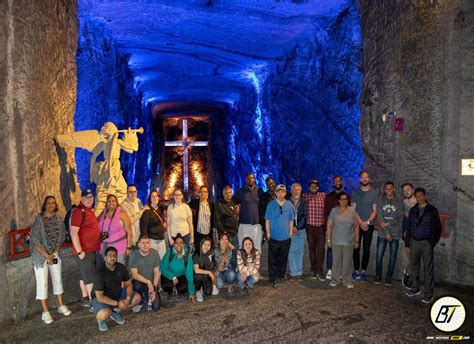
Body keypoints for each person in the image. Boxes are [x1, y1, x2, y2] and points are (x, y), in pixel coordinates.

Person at [30, 196, 72, 324]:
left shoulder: (58, 219)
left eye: (53, 203)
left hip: (53, 255)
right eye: (48, 203)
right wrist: (46, 256)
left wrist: (53, 253)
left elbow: (61, 237)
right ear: (45, 204)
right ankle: (45, 312)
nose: (51, 205)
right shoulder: (39, 220)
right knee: (43, 282)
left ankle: (61, 305)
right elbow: (35, 240)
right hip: (40, 256)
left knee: (57, 278)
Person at [92, 246, 141, 331]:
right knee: (103, 314)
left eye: (114, 255)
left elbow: (128, 285)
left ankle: (114, 311)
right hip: (102, 298)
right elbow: (100, 297)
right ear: (105, 258)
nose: (112, 257)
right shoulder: (99, 272)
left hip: (117, 294)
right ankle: (104, 317)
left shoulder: (120, 267)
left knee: (137, 298)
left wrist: (127, 299)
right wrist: (118, 303)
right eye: (110, 255)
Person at [406, 188, 442, 303]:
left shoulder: (432, 210)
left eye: (421, 196)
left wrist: (432, 243)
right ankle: (415, 288)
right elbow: (409, 227)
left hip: (426, 243)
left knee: (428, 269)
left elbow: (438, 228)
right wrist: (408, 243)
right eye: (417, 196)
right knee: (414, 267)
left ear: (424, 196)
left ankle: (428, 294)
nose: (419, 198)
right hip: (414, 242)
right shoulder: (413, 210)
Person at [70, 188, 101, 308]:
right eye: (87, 197)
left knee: (84, 275)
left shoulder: (88, 211)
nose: (90, 200)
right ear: (82, 198)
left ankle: (85, 298)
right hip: (84, 251)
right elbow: (73, 232)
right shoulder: (79, 212)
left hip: (90, 249)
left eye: (91, 197)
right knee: (90, 276)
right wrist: (80, 251)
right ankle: (94, 301)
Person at [326, 192, 359, 288]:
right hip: (336, 240)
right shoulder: (334, 211)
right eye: (342, 199)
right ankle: (335, 280)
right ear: (338, 201)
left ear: (348, 200)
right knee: (336, 262)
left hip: (349, 241)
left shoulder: (352, 211)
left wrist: (357, 240)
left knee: (347, 262)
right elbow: (329, 226)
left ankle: (347, 281)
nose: (343, 201)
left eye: (345, 199)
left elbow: (356, 227)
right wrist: (328, 240)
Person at [375, 182, 404, 286]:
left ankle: (389, 277)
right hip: (383, 233)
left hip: (395, 233)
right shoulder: (381, 200)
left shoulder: (399, 201)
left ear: (394, 189)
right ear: (384, 190)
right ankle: (378, 275)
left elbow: (399, 218)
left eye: (390, 188)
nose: (388, 191)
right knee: (379, 255)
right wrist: (387, 232)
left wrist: (389, 225)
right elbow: (380, 217)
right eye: (387, 189)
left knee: (393, 257)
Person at [265, 184, 294, 288]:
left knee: (283, 258)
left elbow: (291, 220)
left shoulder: (289, 205)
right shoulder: (271, 205)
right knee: (272, 259)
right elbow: (267, 220)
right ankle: (273, 278)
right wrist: (268, 233)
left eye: (282, 191)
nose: (280, 193)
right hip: (273, 237)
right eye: (278, 191)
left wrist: (290, 233)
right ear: (275, 193)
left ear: (285, 193)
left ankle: (281, 276)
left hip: (285, 238)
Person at [351, 171, 378, 281]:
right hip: (357, 224)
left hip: (369, 225)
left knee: (366, 249)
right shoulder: (355, 192)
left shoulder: (374, 193)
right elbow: (353, 210)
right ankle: (356, 271)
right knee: (356, 248)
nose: (365, 179)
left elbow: (375, 211)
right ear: (360, 180)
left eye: (366, 177)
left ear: (369, 179)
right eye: (362, 177)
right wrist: (360, 222)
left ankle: (363, 273)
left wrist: (366, 223)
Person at [323, 176, 351, 280]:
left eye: (339, 181)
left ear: (342, 182)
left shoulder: (347, 196)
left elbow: (350, 212)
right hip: (332, 228)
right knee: (330, 249)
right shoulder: (329, 197)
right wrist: (327, 228)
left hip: (344, 229)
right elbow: (326, 213)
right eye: (335, 181)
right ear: (333, 183)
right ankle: (330, 269)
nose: (337, 182)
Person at [129, 235, 161, 312]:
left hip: (152, 284)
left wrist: (154, 288)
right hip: (139, 282)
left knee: (156, 307)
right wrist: (148, 282)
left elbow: (157, 272)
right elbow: (135, 275)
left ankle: (147, 297)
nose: (145, 245)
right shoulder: (134, 255)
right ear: (139, 244)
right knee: (136, 285)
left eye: (147, 243)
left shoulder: (155, 253)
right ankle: (140, 301)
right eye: (143, 243)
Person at [98, 194, 132, 265]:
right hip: (105, 248)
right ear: (106, 203)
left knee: (119, 268)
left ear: (117, 203)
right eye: (109, 201)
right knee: (106, 270)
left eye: (113, 201)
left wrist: (128, 247)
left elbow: (129, 231)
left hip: (119, 248)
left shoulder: (122, 214)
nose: (111, 203)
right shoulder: (102, 214)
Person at [160, 234, 196, 301]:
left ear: (184, 244)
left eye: (181, 243)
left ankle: (176, 290)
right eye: (176, 243)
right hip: (169, 274)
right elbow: (162, 268)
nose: (178, 245)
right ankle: (170, 291)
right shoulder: (169, 253)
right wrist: (172, 277)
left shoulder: (187, 255)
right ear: (174, 245)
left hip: (181, 276)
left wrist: (191, 292)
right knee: (166, 286)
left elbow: (189, 274)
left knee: (184, 288)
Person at [303, 179, 326, 281]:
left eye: (315, 186)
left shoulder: (323, 196)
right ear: (309, 188)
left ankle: (319, 271)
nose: (314, 188)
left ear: (318, 187)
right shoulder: (305, 197)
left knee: (321, 250)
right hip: (310, 226)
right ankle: (313, 270)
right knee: (312, 249)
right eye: (312, 186)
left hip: (321, 227)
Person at [235, 173, 264, 251]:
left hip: (257, 225)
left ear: (254, 179)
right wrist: (237, 206)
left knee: (257, 248)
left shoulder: (259, 190)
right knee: (244, 249)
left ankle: (256, 264)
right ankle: (245, 263)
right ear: (246, 180)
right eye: (248, 178)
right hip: (244, 224)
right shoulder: (240, 191)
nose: (250, 180)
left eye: (252, 178)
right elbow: (234, 202)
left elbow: (265, 202)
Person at [214, 186, 240, 266]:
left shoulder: (232, 202)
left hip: (234, 233)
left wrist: (238, 206)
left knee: (235, 252)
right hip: (226, 235)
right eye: (226, 193)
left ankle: (235, 269)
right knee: (226, 254)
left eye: (230, 192)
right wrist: (224, 234)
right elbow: (217, 220)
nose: (228, 194)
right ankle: (227, 272)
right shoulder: (219, 205)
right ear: (223, 194)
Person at [140, 190, 167, 259]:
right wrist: (146, 242)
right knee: (153, 260)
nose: (155, 198)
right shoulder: (147, 211)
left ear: (158, 198)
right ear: (150, 199)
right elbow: (143, 228)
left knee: (163, 260)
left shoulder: (161, 209)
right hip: (152, 240)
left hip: (161, 239)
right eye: (152, 196)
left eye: (156, 196)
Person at [288, 183, 306, 281]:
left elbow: (304, 215)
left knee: (299, 251)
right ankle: (292, 273)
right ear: (291, 191)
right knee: (291, 251)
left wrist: (298, 227)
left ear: (301, 191)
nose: (296, 191)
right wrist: (292, 227)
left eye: (298, 190)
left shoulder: (304, 201)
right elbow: (286, 215)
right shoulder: (287, 201)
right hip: (290, 229)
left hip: (301, 230)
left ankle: (299, 273)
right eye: (294, 189)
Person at [401, 182, 417, 289]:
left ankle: (408, 274)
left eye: (408, 189)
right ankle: (408, 275)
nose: (406, 192)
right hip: (407, 234)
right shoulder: (403, 202)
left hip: (418, 235)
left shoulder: (420, 202)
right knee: (410, 256)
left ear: (413, 189)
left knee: (415, 257)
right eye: (404, 191)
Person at [193, 236, 219, 302]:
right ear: (201, 244)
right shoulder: (196, 254)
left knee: (208, 292)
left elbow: (214, 264)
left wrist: (213, 273)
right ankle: (198, 290)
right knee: (198, 276)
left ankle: (204, 288)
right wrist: (209, 272)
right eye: (205, 244)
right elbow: (196, 270)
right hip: (197, 276)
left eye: (208, 245)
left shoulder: (210, 253)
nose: (206, 247)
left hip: (206, 275)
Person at [258, 177, 276, 243]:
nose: (271, 185)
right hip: (270, 228)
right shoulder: (263, 197)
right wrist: (265, 229)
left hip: (281, 227)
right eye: (269, 184)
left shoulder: (282, 194)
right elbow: (262, 214)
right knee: (272, 248)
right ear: (266, 186)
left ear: (275, 183)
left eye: (272, 183)